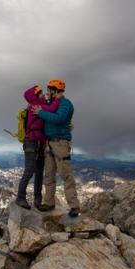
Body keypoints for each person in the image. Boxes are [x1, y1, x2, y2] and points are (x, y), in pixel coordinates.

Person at [32, 79, 81, 217]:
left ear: (56, 91)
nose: (48, 92)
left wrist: (40, 112)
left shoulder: (66, 104)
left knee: (65, 175)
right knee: (49, 175)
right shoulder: (52, 103)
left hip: (60, 143)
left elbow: (59, 118)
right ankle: (49, 203)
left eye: (50, 90)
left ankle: (74, 206)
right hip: (49, 143)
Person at [15, 85, 61, 210]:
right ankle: (20, 198)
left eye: (42, 92)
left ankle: (37, 200)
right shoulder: (34, 107)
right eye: (39, 93)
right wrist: (58, 97)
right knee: (29, 170)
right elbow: (52, 109)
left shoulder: (39, 106)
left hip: (39, 143)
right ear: (34, 97)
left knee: (39, 172)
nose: (43, 94)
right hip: (32, 142)